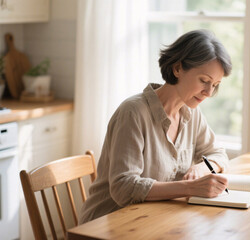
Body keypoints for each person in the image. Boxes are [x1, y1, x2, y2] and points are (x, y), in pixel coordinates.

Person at [79, 29, 232, 224]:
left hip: (156, 220)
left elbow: (219, 154)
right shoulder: (133, 113)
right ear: (177, 69)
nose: (209, 92)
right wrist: (190, 187)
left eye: (215, 84)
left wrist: (202, 169)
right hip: (108, 225)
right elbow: (123, 188)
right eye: (204, 81)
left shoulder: (192, 113)